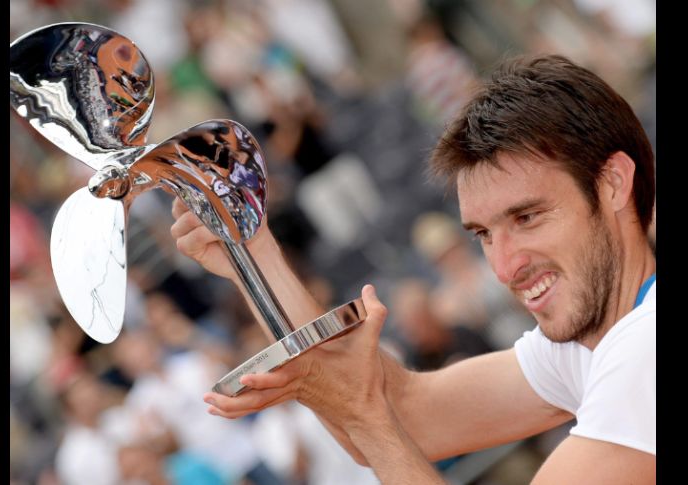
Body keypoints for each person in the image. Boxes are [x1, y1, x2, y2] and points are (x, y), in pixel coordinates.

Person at [170, 55, 656, 483]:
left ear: (613, 183)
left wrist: (364, 418)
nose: (506, 267)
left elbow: (379, 426)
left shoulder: (645, 348)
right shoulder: (598, 340)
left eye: (527, 217)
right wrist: (253, 251)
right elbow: (411, 418)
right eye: (484, 235)